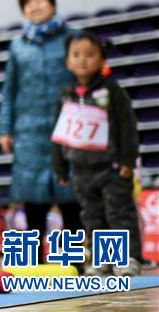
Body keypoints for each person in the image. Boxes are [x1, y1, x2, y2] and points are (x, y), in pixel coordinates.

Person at [0, 0, 82, 260]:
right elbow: (9, 91)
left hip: (69, 127)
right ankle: (33, 261)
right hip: (29, 132)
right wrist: (5, 129)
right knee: (33, 198)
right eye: (28, 4)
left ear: (52, 4)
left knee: (70, 196)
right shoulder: (17, 46)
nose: (34, 7)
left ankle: (73, 260)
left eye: (40, 1)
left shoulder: (73, 39)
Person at [51, 33, 142, 277]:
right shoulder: (65, 95)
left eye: (89, 55)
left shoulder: (112, 91)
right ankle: (103, 259)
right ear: (68, 61)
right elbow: (58, 133)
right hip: (81, 169)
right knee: (92, 216)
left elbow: (127, 126)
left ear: (102, 60)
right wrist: (60, 168)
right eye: (76, 55)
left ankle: (127, 259)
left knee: (118, 212)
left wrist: (127, 160)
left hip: (111, 167)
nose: (82, 60)